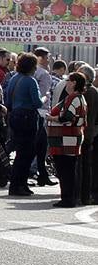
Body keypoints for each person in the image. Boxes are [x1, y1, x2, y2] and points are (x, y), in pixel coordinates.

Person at [4, 52, 44, 197]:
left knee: (20, 151)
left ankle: (16, 184)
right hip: (27, 117)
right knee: (27, 152)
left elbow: (7, 100)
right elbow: (37, 102)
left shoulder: (14, 79)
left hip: (15, 116)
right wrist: (44, 98)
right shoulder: (30, 81)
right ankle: (20, 184)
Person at [47, 71, 87, 208]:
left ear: (74, 83)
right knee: (68, 170)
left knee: (65, 170)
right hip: (69, 139)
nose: (66, 83)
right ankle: (69, 197)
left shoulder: (73, 98)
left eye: (69, 80)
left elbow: (68, 118)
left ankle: (68, 198)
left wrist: (51, 118)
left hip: (66, 140)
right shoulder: (78, 97)